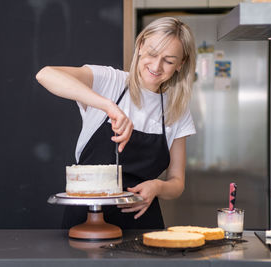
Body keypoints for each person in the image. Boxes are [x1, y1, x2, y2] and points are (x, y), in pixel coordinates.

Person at [36, 17, 196, 229]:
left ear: (180, 64)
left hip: (141, 222)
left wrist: (157, 186)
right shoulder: (110, 82)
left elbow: (177, 182)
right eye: (152, 53)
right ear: (140, 46)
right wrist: (108, 106)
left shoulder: (176, 109)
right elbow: (46, 74)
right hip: (86, 222)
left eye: (168, 60)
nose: (156, 66)